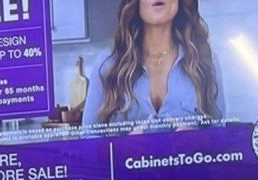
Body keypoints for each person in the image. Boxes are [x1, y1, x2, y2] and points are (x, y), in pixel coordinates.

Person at [81, 0, 225, 131]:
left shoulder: (204, 61)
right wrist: (123, 148)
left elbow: (220, 136)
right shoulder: (108, 65)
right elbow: (89, 136)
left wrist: (197, 142)